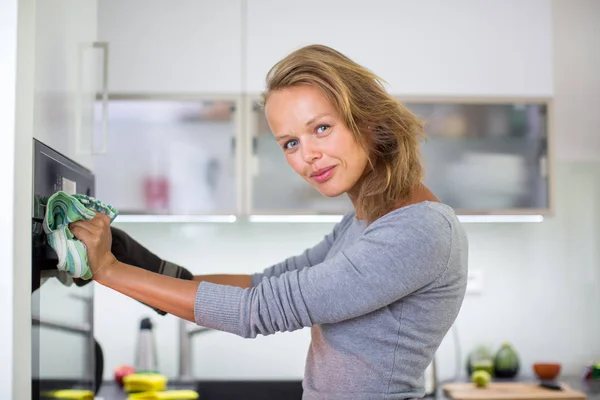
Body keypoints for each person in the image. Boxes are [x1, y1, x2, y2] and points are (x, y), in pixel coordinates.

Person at [69, 44, 468, 400]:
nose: (306, 155)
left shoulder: (419, 230)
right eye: (291, 143)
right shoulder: (363, 222)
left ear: (368, 120)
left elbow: (259, 309)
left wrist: (110, 270)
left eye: (321, 128)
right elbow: (264, 284)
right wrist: (144, 265)